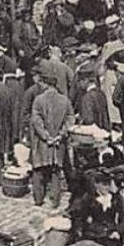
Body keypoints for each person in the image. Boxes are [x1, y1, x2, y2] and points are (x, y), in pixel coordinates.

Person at [29, 68, 74, 209]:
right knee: (56, 170)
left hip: (42, 143)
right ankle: (55, 200)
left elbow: (36, 121)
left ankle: (38, 198)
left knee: (38, 169)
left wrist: (46, 136)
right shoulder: (65, 100)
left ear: (45, 84)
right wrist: (60, 135)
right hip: (59, 142)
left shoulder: (38, 100)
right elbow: (70, 119)